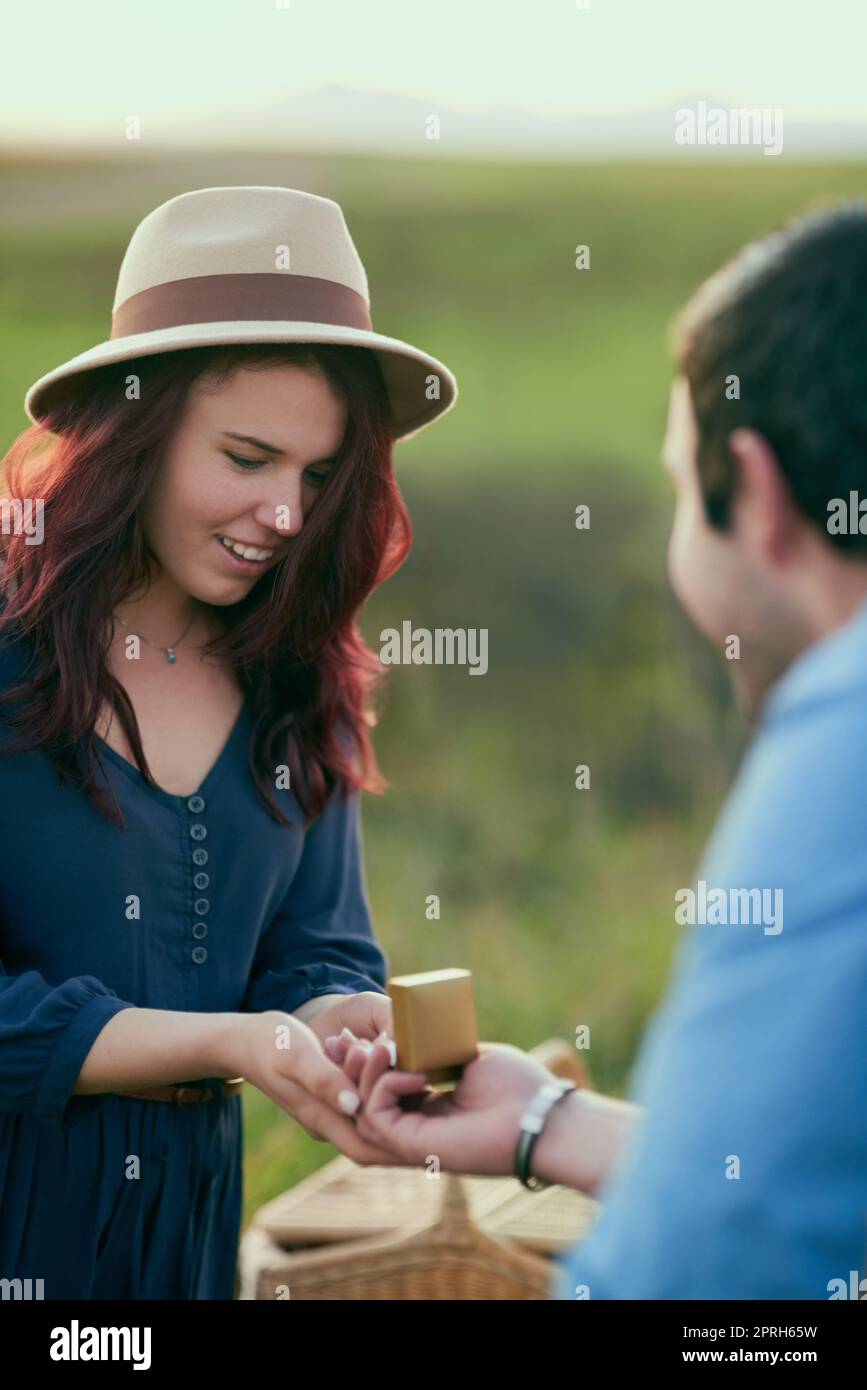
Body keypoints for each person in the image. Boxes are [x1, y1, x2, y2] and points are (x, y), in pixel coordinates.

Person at [336, 200, 867, 1299]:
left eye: (683, 490)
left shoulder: (841, 733)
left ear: (758, 497)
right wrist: (551, 1120)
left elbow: (703, 1270)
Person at [0, 185, 457, 1299]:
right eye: (248, 458)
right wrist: (227, 1044)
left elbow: (318, 950)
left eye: (317, 473)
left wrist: (340, 1024)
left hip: (182, 1248)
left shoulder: (304, 684)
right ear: (133, 436)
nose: (289, 516)